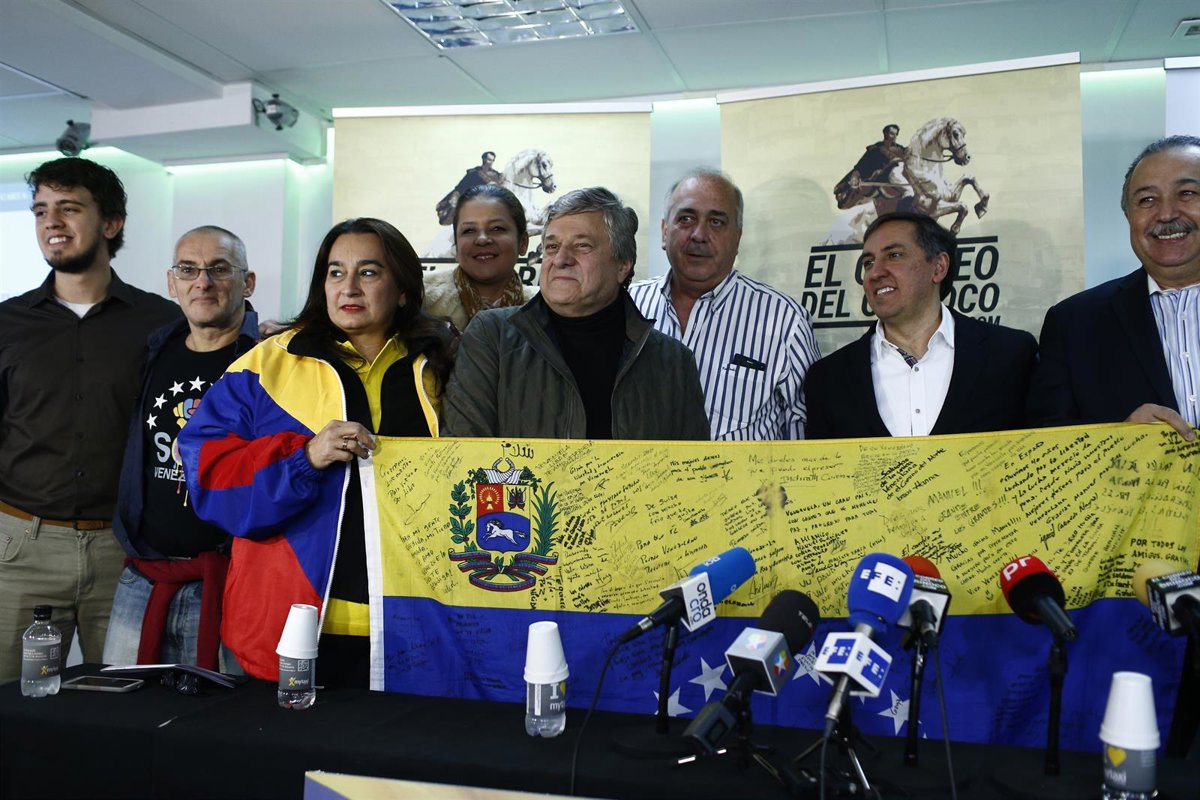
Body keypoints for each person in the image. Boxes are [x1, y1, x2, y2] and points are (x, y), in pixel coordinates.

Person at [178, 218, 454, 687]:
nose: (349, 287)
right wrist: (302, 459)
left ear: (404, 290)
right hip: (295, 624)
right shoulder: (265, 365)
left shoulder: (443, 365)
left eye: (369, 272)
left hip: (420, 625)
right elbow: (210, 478)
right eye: (335, 272)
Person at [0, 157, 180, 683]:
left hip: (124, 554)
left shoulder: (163, 323)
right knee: (16, 707)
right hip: (21, 550)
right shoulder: (6, 322)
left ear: (111, 223)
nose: (51, 222)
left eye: (69, 208)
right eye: (41, 211)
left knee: (126, 703)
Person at [101, 226, 258, 671]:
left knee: (222, 711)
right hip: (143, 576)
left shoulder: (266, 361)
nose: (202, 282)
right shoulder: (155, 350)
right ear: (172, 283)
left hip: (229, 580)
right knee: (123, 706)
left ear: (247, 283)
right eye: (188, 270)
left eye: (219, 269)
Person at [443, 186, 708, 439]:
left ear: (622, 265)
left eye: (582, 245)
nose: (561, 260)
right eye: (552, 247)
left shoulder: (674, 362)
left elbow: (692, 466)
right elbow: (464, 454)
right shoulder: (492, 337)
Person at [805, 212, 1037, 438]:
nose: (875, 273)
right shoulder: (828, 379)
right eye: (868, 263)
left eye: (894, 255)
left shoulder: (1011, 354)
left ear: (939, 267)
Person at [1026, 135, 1198, 441]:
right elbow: (1046, 439)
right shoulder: (1074, 323)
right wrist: (1117, 440)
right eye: (1147, 200)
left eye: (1187, 193)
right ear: (1128, 216)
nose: (1166, 214)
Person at [628, 168, 820, 440]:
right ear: (664, 231)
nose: (699, 234)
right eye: (686, 219)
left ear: (738, 237)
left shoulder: (785, 322)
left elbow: (808, 434)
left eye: (716, 222)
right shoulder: (627, 307)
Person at [424, 184, 538, 333]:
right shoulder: (423, 301)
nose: (482, 239)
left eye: (497, 228)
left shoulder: (543, 309)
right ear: (456, 246)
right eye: (469, 230)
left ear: (523, 243)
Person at [834, 124, 909, 210]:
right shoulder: (875, 149)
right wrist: (854, 177)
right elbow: (861, 166)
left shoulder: (900, 149)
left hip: (894, 180)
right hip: (873, 180)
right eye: (892, 134)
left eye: (896, 134)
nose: (894, 137)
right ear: (885, 134)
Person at [435, 151, 503, 225]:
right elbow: (461, 186)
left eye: (492, 160)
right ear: (483, 159)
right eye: (489, 160)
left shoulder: (495, 174)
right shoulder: (474, 172)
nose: (490, 162)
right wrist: (455, 196)